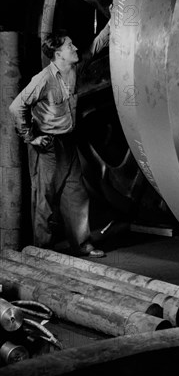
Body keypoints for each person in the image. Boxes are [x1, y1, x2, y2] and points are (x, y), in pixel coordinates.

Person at [9, 16, 111, 257]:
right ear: (58, 53)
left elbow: (96, 46)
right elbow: (16, 106)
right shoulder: (43, 80)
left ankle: (82, 244)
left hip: (68, 143)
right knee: (45, 199)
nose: (74, 48)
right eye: (69, 46)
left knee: (76, 192)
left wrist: (113, 20)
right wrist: (30, 137)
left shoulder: (73, 68)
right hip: (48, 146)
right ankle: (42, 251)